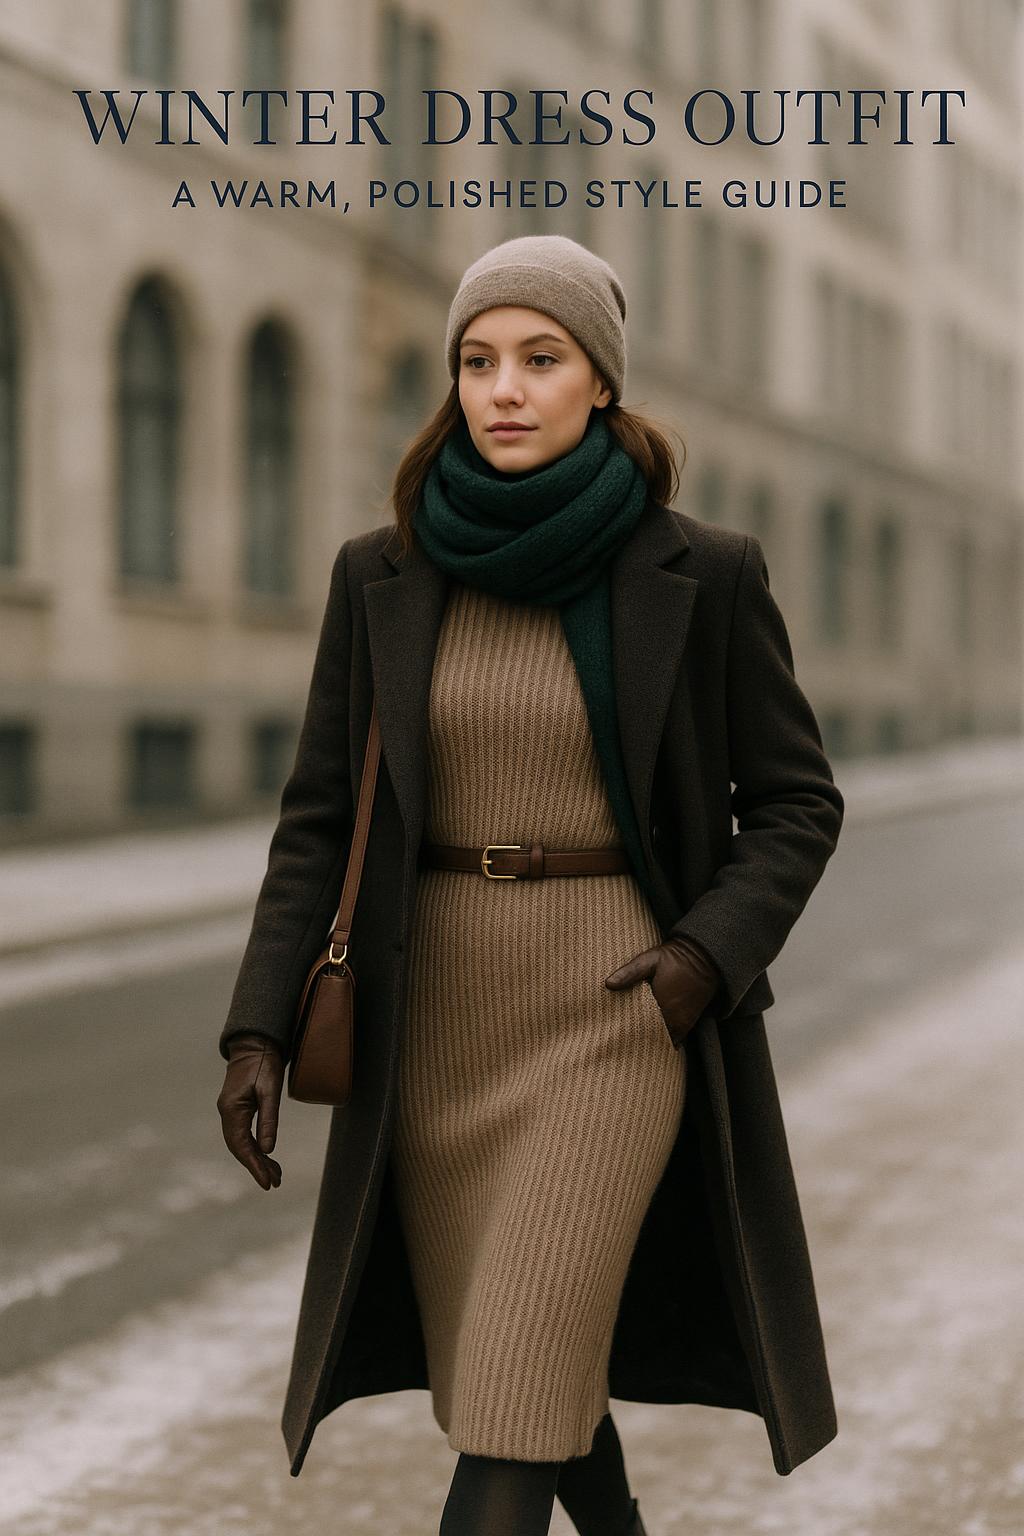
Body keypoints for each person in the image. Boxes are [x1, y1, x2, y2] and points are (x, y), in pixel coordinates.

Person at [216, 235, 845, 1535]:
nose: (503, 387)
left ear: (600, 384)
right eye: (477, 361)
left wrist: (696, 963)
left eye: (540, 360)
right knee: (534, 1386)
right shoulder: (382, 575)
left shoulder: (701, 573)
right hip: (433, 1030)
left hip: (612, 1023)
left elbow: (795, 805)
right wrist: (259, 1023)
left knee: (510, 1402)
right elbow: (320, 820)